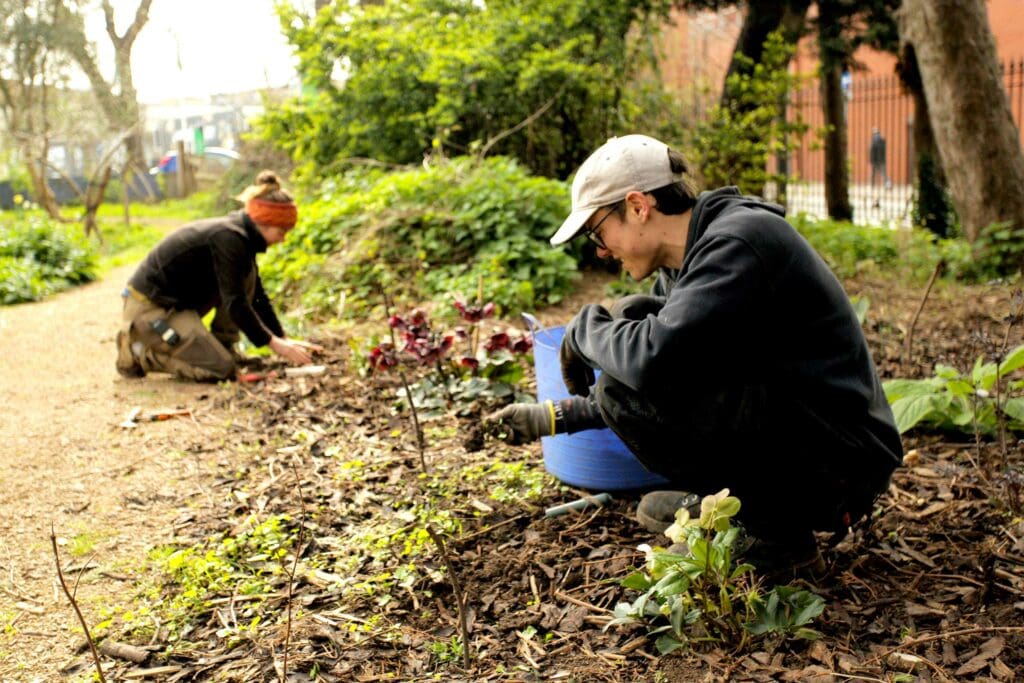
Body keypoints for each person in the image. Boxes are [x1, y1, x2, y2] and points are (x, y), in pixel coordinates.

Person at [492, 134, 902, 572]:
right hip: (809, 435)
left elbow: (650, 364)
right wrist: (558, 417)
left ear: (637, 206)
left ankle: (777, 536)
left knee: (628, 358)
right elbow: (665, 371)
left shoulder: (739, 242)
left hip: (841, 463)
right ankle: (744, 507)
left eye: (598, 231)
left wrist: (582, 329)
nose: (600, 250)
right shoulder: (689, 261)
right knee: (635, 314)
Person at [115, 170, 321, 382]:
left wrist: (282, 338)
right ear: (264, 222)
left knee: (247, 278)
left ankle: (224, 346)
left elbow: (257, 296)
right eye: (282, 232)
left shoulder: (241, 238)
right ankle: (140, 352)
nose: (283, 240)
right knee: (222, 370)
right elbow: (236, 303)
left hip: (179, 304)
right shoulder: (229, 239)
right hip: (150, 310)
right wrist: (274, 344)